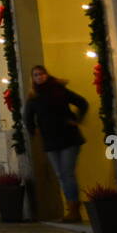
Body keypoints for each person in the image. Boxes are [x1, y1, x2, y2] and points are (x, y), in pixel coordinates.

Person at [24, 65, 90, 223]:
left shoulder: (59, 90)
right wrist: (35, 131)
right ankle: (72, 207)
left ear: (47, 75)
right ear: (32, 79)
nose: (39, 77)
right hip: (50, 141)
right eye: (36, 75)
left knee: (67, 173)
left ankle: (74, 210)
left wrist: (77, 120)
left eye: (41, 74)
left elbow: (82, 103)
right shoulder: (33, 97)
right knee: (61, 175)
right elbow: (28, 118)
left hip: (69, 138)